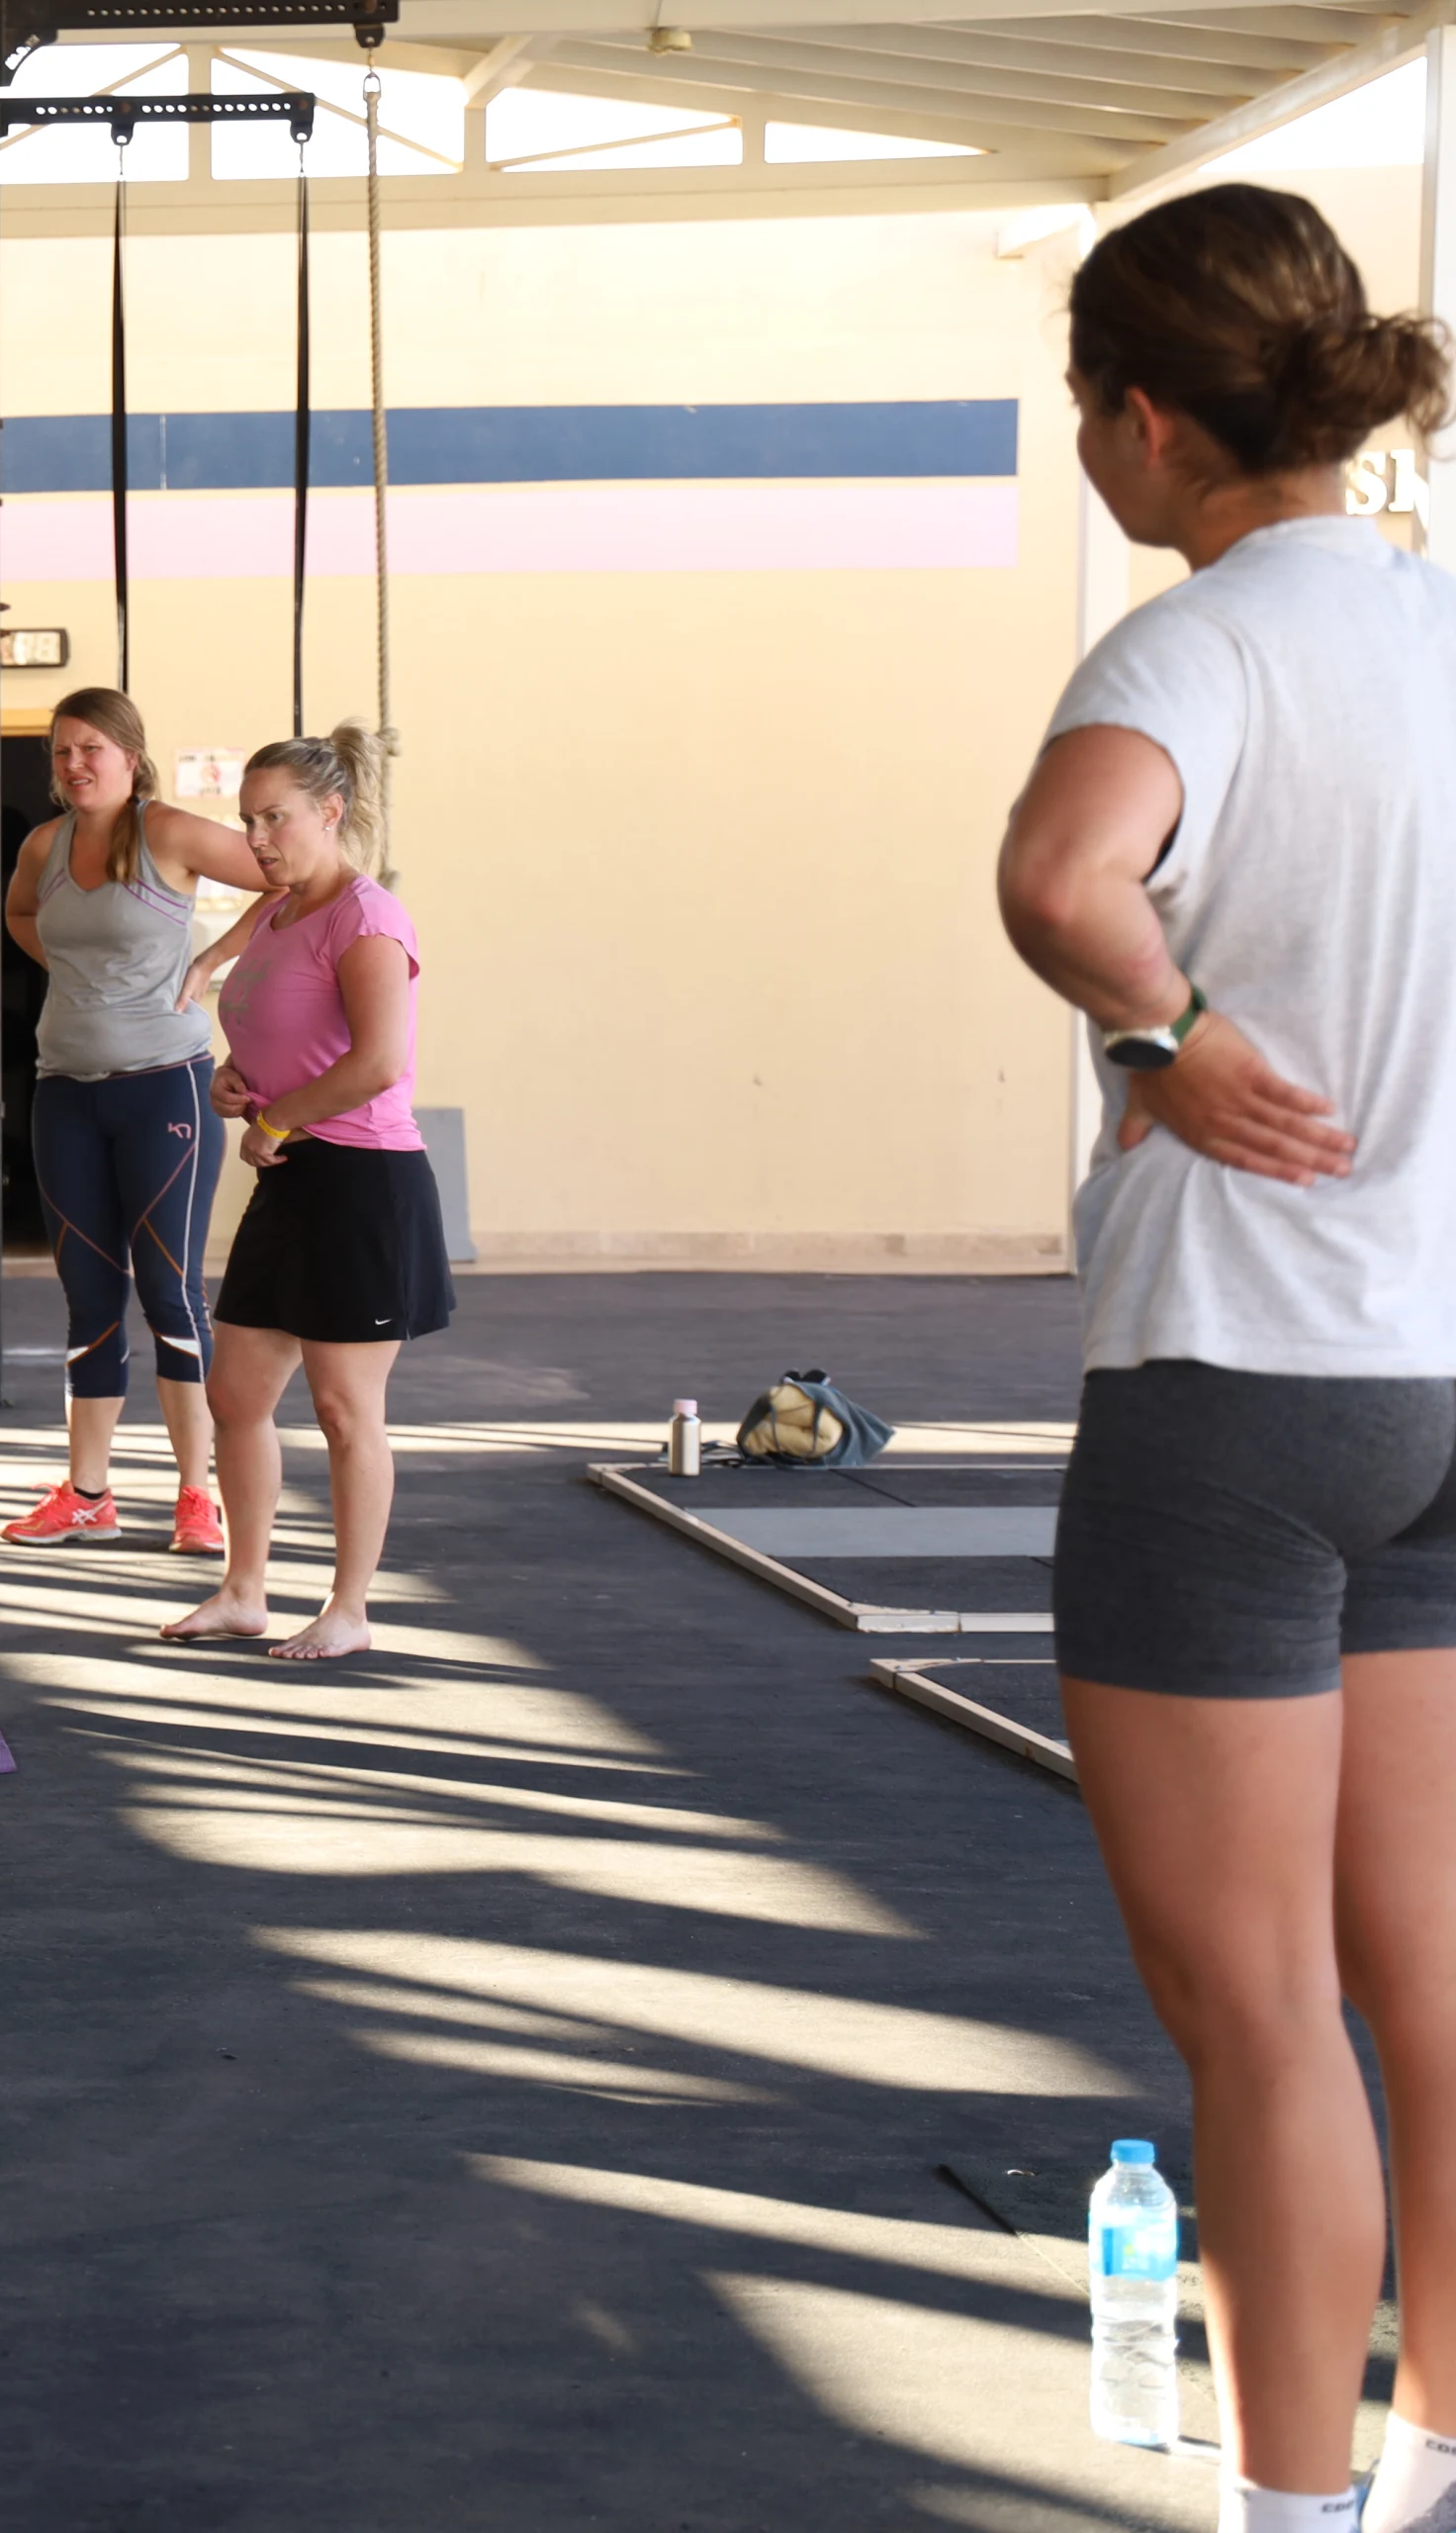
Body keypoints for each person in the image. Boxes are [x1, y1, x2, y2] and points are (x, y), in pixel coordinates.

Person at [991, 183, 1456, 2533]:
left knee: (1263, 2017)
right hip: (1441, 1376)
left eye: (1082, 410)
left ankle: (1292, 2517)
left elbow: (1057, 876)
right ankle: (1431, 2463)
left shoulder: (1191, 651)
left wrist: (1155, 1027)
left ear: (1145, 417)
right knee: (1430, 1990)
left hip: (1236, 1391)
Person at [159, 721, 447, 1664]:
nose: (260, 840)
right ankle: (244, 1591)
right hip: (287, 1176)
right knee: (237, 1394)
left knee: (341, 1410)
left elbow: (375, 1063)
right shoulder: (280, 916)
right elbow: (282, 1034)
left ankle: (350, 1608)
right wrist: (236, 1079)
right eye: (248, 823)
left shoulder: (369, 920)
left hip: (363, 1180)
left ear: (332, 811)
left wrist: (278, 1122)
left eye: (276, 818)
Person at [0, 685, 274, 1555]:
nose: (74, 765)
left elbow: (289, 874)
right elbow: (19, 914)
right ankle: (87, 1493)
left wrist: (214, 960)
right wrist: (78, 975)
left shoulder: (170, 834)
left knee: (169, 1294)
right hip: (66, 1090)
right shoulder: (45, 843)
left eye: (91, 750)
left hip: (166, 1088)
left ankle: (199, 1496)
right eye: (62, 752)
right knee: (89, 1297)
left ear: (130, 756)